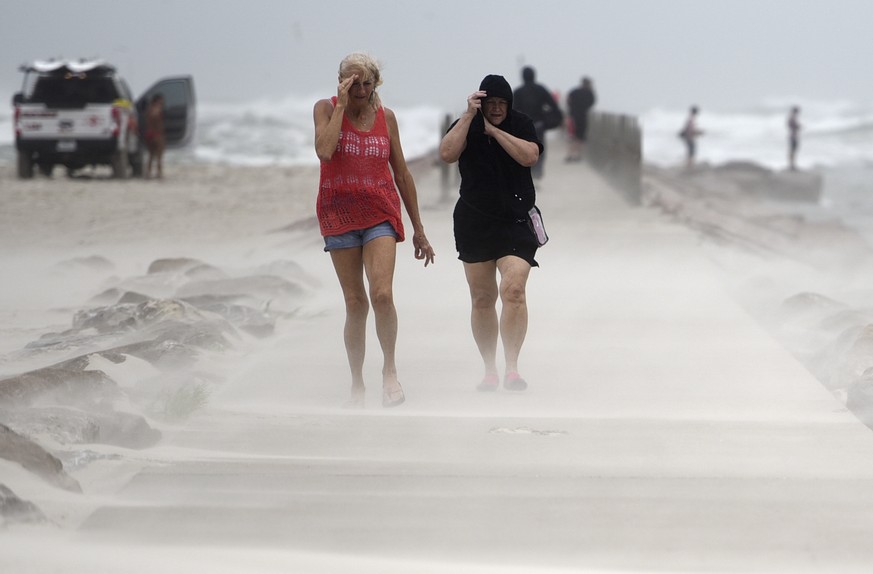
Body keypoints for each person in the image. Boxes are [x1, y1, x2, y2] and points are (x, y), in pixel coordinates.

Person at [313, 52, 435, 409]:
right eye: (354, 83)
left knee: (381, 294)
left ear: (376, 83)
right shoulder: (324, 108)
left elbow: (402, 174)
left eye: (367, 83)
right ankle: (356, 383)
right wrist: (340, 106)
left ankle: (390, 372)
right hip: (338, 215)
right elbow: (324, 150)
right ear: (341, 81)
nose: (361, 90)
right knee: (355, 303)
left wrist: (419, 230)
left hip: (380, 213)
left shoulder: (387, 117)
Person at [439, 74, 543, 393]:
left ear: (509, 105)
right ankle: (489, 369)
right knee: (483, 298)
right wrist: (470, 116)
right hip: (475, 221)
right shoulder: (465, 123)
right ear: (481, 102)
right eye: (491, 103)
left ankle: (512, 367)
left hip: (515, 221)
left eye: (502, 103)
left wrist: (494, 131)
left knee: (514, 290)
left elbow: (529, 156)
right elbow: (447, 153)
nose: (497, 108)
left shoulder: (521, 124)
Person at [512, 66, 562, 179]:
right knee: (539, 149)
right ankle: (537, 174)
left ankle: (528, 174)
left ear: (523, 77)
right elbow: (553, 106)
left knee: (524, 149)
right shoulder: (541, 90)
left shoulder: (518, 91)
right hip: (539, 125)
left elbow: (513, 110)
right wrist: (552, 120)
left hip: (523, 126)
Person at [565, 76, 596, 162]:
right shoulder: (590, 93)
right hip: (582, 116)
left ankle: (570, 155)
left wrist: (572, 108)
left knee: (572, 136)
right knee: (580, 137)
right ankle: (578, 155)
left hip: (573, 116)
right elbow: (592, 103)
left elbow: (568, 100)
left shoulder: (574, 92)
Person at [144, 93, 165, 179]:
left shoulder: (149, 109)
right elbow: (158, 122)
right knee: (159, 156)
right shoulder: (157, 109)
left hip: (149, 133)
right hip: (157, 134)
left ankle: (148, 172)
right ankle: (159, 173)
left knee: (151, 155)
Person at [787, 106, 801, 170]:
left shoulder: (792, 118)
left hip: (793, 136)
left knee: (793, 151)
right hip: (793, 136)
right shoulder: (792, 118)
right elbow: (792, 126)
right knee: (793, 151)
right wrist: (798, 126)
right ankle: (792, 165)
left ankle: (792, 165)